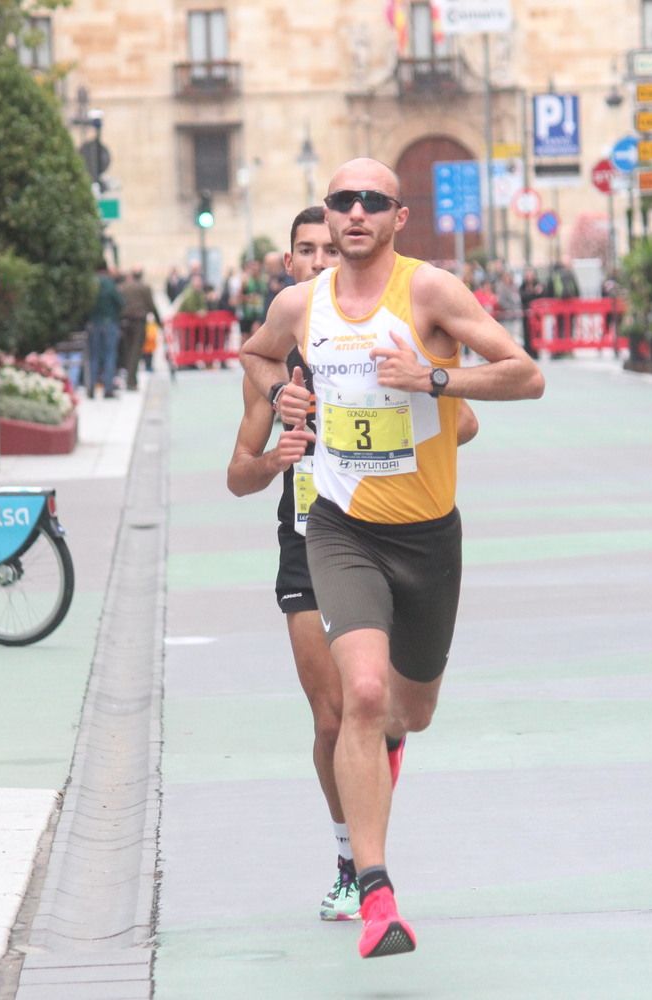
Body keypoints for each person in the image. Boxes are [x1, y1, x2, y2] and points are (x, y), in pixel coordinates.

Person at [241, 159, 543, 959]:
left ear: (398, 217)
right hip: (340, 528)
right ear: (330, 216)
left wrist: (435, 378)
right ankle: (375, 893)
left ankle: (383, 753)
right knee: (360, 694)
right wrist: (283, 398)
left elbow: (527, 374)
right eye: (342, 201)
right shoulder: (299, 305)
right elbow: (257, 354)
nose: (355, 213)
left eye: (372, 202)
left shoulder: (433, 293)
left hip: (428, 537)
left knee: (408, 711)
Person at [227, 206, 479, 925]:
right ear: (291, 266)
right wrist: (279, 443)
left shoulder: (376, 338)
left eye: (323, 249)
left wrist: (408, 395)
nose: (315, 261)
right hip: (310, 538)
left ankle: (385, 747)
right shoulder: (280, 367)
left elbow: (464, 422)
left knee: (386, 707)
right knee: (335, 713)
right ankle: (352, 865)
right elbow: (237, 476)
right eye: (303, 250)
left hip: (395, 530)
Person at [119, 268, 160, 391]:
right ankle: (131, 381)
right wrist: (158, 321)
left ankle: (131, 379)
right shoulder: (145, 288)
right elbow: (151, 305)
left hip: (125, 321)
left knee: (129, 350)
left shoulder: (124, 287)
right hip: (139, 322)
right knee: (135, 351)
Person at [89, 263, 124, 399]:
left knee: (94, 356)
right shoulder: (110, 284)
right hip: (110, 323)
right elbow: (120, 302)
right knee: (110, 355)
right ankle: (107, 389)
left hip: (94, 323)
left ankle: (91, 387)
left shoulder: (91, 284)